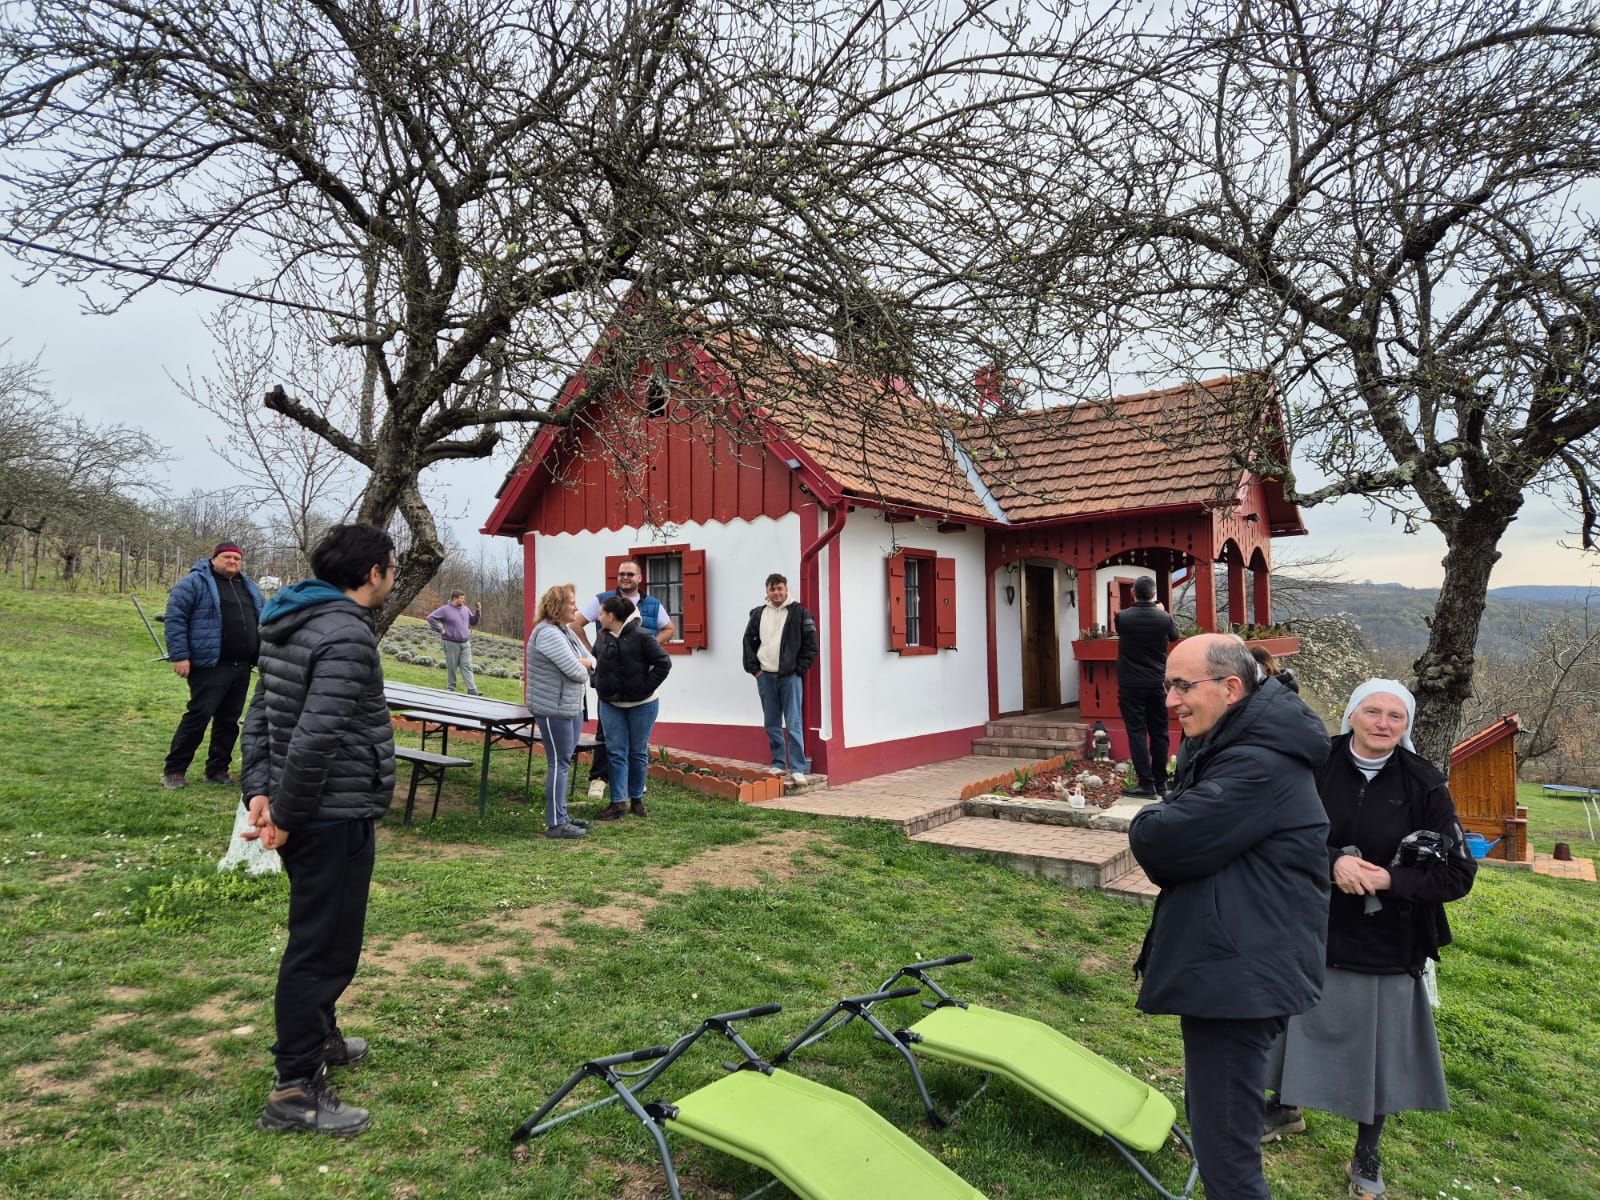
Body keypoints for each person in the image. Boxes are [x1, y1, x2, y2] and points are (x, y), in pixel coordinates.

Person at [1127, 633, 1331, 1200]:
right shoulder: (1233, 745)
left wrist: (1149, 816)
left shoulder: (1256, 765)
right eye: (1167, 686)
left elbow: (1164, 841)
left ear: (1231, 688)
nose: (1170, 700)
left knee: (1225, 1147)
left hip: (1238, 974)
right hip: (1236, 963)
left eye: (1181, 686)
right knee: (1218, 1123)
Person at [1264, 679, 1476, 1199]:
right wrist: (1332, 861)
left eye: (1395, 716)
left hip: (1388, 939)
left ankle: (1366, 1152)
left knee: (1375, 1056)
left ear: (1406, 726)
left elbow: (1458, 874)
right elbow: (1274, 832)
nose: (1383, 723)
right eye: (1373, 711)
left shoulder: (1424, 783)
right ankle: (1283, 1109)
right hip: (1309, 924)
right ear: (1352, 715)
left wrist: (1389, 879)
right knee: (1291, 1025)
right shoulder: (1315, 764)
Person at [239, 524, 398, 1137]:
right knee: (323, 948)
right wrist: (285, 813)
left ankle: (321, 1036)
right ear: (372, 573)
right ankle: (295, 1089)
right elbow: (315, 737)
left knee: (324, 936)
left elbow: (262, 712)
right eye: (392, 566)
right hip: (330, 812)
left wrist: (258, 790)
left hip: (308, 805)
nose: (393, 576)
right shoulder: (347, 632)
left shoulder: (291, 619)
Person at [161, 541, 266, 788]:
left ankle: (218, 769)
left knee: (229, 720)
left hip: (242, 665)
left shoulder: (248, 586)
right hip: (209, 665)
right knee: (199, 716)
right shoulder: (193, 583)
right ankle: (175, 770)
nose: (233, 562)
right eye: (227, 557)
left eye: (237, 558)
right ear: (214, 559)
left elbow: (264, 618)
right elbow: (175, 619)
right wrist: (180, 656)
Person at [570, 559, 675, 801]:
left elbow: (670, 629)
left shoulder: (652, 604)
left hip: (639, 686)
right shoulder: (603, 600)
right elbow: (576, 624)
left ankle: (634, 786)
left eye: (630, 574)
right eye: (621, 574)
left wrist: (647, 646)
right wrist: (591, 653)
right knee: (605, 735)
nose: (625, 578)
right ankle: (599, 778)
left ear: (640, 578)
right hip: (610, 684)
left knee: (637, 744)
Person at [524, 583, 595, 840]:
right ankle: (556, 823)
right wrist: (584, 664)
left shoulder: (565, 631)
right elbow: (578, 672)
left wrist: (585, 662)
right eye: (572, 603)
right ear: (557, 607)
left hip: (570, 706)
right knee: (559, 763)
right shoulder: (547, 634)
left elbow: (592, 659)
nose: (576, 608)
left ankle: (562, 815)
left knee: (564, 761)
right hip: (553, 708)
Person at [592, 595, 672, 821]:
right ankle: (618, 803)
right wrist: (597, 683)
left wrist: (645, 687)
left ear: (611, 616)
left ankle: (636, 799)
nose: (598, 617)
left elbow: (664, 663)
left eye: (601, 613)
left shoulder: (642, 636)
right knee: (615, 752)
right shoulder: (603, 636)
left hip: (643, 705)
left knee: (637, 752)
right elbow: (596, 661)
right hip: (610, 704)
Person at [742, 573, 819, 783]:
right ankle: (778, 763)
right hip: (765, 676)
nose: (776, 593)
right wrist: (756, 671)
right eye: (772, 589)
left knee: (794, 722)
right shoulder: (758, 614)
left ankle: (798, 768)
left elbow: (811, 646)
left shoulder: (800, 613)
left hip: (790, 677)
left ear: (786, 589)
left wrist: (798, 669)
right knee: (771, 722)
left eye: (779, 588)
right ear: (767, 591)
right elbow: (748, 642)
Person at [1114, 575, 1181, 797]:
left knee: (1137, 733)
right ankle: (1161, 783)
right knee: (1159, 732)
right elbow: (1174, 636)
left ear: (1133, 592)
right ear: (1154, 594)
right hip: (1156, 682)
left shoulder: (1122, 618)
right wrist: (1163, 612)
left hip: (1130, 684)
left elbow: (1123, 632)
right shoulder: (1164, 618)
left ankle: (1146, 783)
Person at [425, 589, 482, 695]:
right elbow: (430, 617)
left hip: (465, 643)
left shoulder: (465, 609)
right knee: (452, 667)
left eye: (464, 598)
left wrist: (478, 611)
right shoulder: (445, 609)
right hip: (450, 643)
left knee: (467, 665)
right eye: (462, 598)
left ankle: (472, 690)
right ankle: (451, 689)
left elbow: (473, 621)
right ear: (455, 599)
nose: (464, 600)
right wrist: (440, 629)